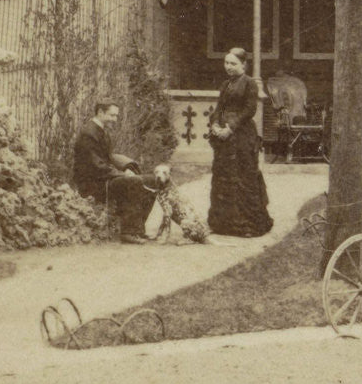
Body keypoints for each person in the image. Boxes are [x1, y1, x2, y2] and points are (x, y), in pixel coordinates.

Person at [73, 101, 207, 245]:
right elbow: (96, 165)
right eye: (112, 115)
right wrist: (122, 174)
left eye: (116, 116)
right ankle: (128, 232)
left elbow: (108, 158)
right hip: (94, 183)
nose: (115, 119)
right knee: (134, 181)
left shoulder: (101, 131)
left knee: (153, 180)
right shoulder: (89, 133)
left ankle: (138, 229)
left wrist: (125, 168)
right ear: (100, 112)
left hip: (104, 176)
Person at [207, 48, 273, 237]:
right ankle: (222, 225)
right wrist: (215, 125)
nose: (228, 66)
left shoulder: (249, 83)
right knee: (222, 177)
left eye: (233, 63)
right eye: (226, 63)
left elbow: (249, 110)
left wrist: (230, 128)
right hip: (224, 140)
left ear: (243, 65)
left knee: (243, 178)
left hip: (242, 137)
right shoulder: (226, 84)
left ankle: (247, 225)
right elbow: (219, 108)